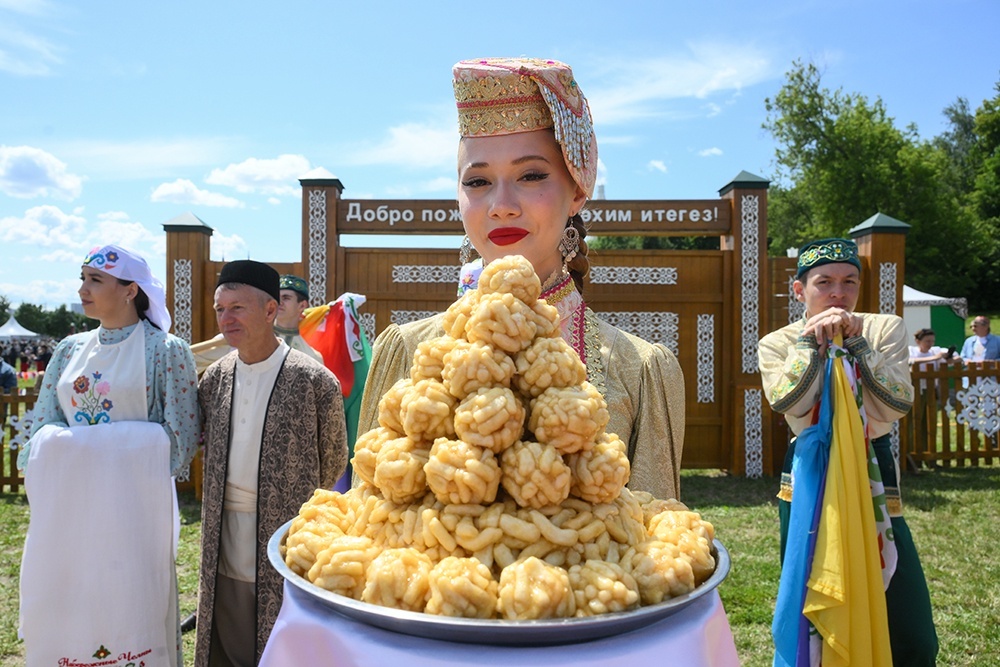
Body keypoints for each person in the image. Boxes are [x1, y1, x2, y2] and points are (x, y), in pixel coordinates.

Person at [357, 57, 685, 501]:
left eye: (531, 175)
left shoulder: (637, 369)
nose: (501, 204)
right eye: (477, 181)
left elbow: (658, 542)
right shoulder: (407, 352)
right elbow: (368, 527)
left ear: (577, 192)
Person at [758, 237, 938, 665]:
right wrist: (809, 345)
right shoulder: (777, 342)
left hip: (872, 461)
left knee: (905, 608)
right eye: (824, 282)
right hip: (810, 473)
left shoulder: (883, 328)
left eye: (849, 282)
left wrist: (858, 347)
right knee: (812, 584)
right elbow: (789, 403)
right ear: (799, 290)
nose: (838, 293)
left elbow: (895, 404)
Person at [18, 244, 199, 667]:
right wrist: (98, 453)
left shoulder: (165, 351)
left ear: (130, 289)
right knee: (70, 594)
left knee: (133, 597)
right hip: (70, 513)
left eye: (95, 280)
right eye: (82, 278)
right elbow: (41, 433)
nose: (83, 289)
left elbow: (180, 441)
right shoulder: (67, 350)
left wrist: (88, 451)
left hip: (135, 513)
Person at [195, 259, 348, 666]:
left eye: (237, 308)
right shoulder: (215, 378)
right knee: (226, 637)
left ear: (269, 310)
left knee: (278, 639)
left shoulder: (313, 380)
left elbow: (334, 459)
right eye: (220, 310)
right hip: (222, 532)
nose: (226, 319)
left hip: (286, 535)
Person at [274, 274, 324, 365]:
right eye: (277, 298)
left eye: (286, 298)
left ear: (302, 305)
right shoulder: (254, 340)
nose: (279, 302)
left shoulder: (312, 358)